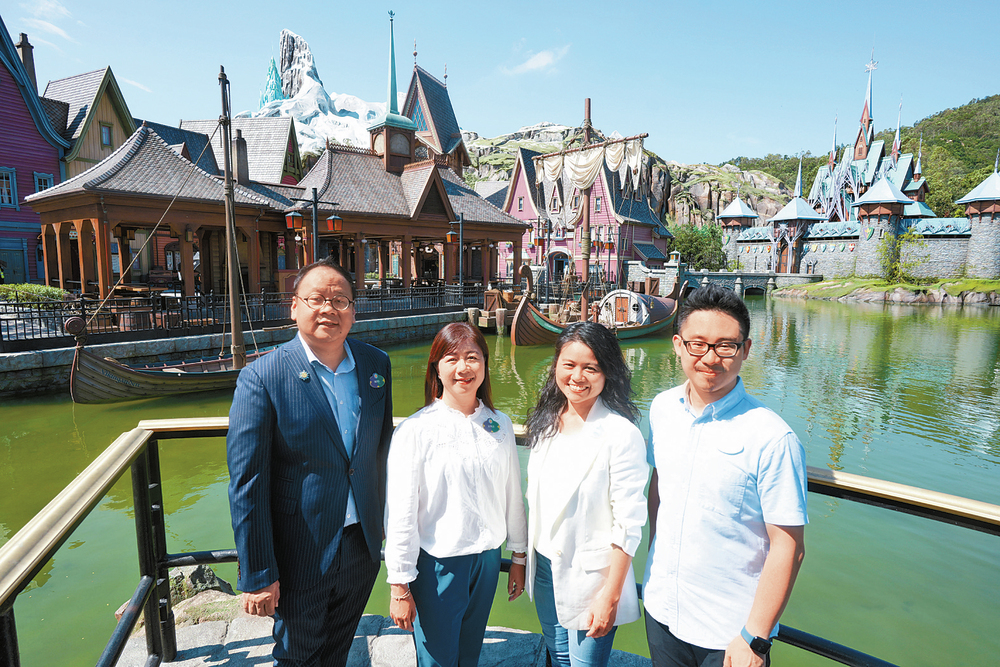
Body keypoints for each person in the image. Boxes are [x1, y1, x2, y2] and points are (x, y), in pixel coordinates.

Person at [227, 257, 393, 667]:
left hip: (362, 543)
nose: (328, 310)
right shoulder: (263, 376)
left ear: (354, 309)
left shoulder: (376, 365)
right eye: (317, 299)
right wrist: (259, 572)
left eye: (340, 300)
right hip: (300, 547)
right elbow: (247, 483)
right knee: (298, 654)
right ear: (295, 306)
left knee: (338, 645)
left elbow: (380, 451)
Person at [643, 284, 807, 667]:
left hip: (730, 632)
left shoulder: (771, 436)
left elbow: (789, 547)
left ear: (745, 350)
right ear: (678, 345)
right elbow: (659, 487)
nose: (710, 358)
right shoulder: (662, 408)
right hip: (661, 608)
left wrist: (755, 637)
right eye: (697, 344)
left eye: (726, 345)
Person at [385, 322, 527, 666]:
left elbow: (512, 493)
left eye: (472, 357)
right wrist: (399, 583)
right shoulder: (415, 430)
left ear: (485, 364)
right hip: (438, 563)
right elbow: (401, 511)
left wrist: (519, 556)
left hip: (489, 559)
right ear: (436, 367)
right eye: (451, 358)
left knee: (469, 651)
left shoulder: (499, 424)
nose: (463, 368)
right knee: (438, 658)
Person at [524, 321, 648, 667]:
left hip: (594, 578)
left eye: (590, 367)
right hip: (545, 567)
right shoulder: (547, 421)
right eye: (569, 365)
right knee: (558, 656)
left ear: (607, 372)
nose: (578, 376)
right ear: (556, 367)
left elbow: (629, 524)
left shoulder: (621, 434)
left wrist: (610, 596)